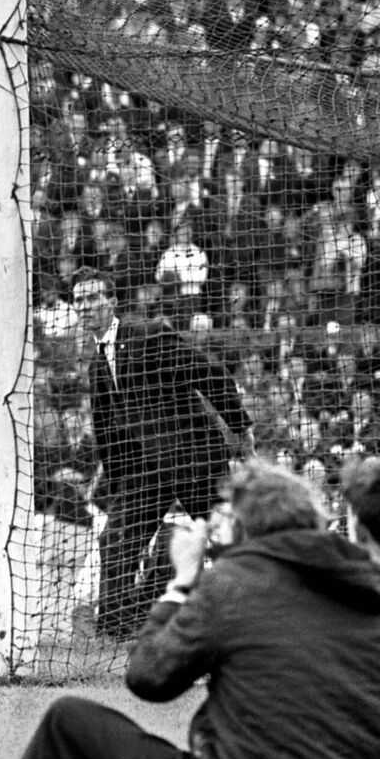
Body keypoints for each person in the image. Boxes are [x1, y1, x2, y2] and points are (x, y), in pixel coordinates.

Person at [19, 458, 380, 759]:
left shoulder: (234, 582)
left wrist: (182, 582)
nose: (213, 529)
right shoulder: (367, 581)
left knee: (66, 720)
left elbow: (149, 677)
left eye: (222, 519)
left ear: (242, 527)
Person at [70, 267, 254, 638]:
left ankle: (253, 620)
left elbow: (207, 373)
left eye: (92, 298)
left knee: (228, 540)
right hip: (145, 470)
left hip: (194, 458)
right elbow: (107, 430)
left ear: (112, 301)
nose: (85, 306)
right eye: (78, 300)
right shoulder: (96, 364)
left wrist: (240, 426)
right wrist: (116, 480)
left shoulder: (149, 334)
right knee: (116, 537)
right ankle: (118, 629)